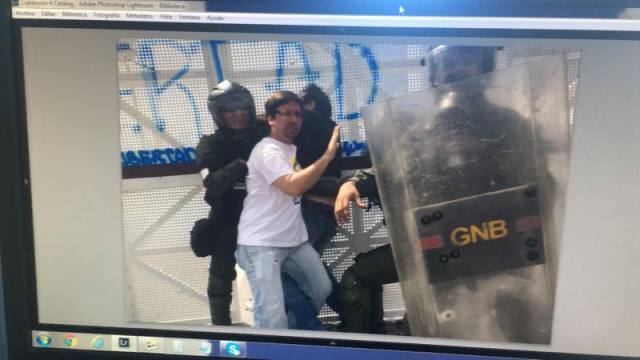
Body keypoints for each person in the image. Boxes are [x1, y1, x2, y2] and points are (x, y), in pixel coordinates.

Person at [334, 46, 532, 335]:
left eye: (467, 59)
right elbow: (392, 167)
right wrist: (353, 183)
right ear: (435, 75)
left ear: (485, 69)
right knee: (428, 326)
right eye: (449, 62)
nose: (458, 68)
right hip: (438, 246)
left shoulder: (510, 125)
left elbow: (538, 186)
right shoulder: (424, 131)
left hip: (498, 246)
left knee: (511, 326)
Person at [235, 90, 341, 329]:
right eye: (286, 114)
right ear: (271, 119)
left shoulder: (290, 150)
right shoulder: (267, 151)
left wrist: (334, 197)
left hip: (293, 241)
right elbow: (293, 187)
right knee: (272, 316)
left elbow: (297, 187)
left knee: (320, 288)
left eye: (298, 115)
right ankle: (274, 346)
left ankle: (291, 339)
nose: (293, 120)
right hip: (261, 244)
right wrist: (327, 156)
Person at [195, 80, 268, 325]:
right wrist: (240, 166)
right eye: (230, 109)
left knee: (273, 283)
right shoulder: (209, 144)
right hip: (227, 222)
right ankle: (220, 334)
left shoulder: (264, 135)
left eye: (242, 107)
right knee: (219, 284)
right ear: (219, 113)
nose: (238, 114)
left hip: (263, 223)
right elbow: (213, 184)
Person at [282, 84, 343, 330]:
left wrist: (261, 115)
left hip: (313, 211)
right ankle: (349, 306)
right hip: (320, 212)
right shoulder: (324, 129)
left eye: (297, 107)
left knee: (280, 258)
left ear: (310, 106)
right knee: (306, 266)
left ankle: (305, 328)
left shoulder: (316, 123)